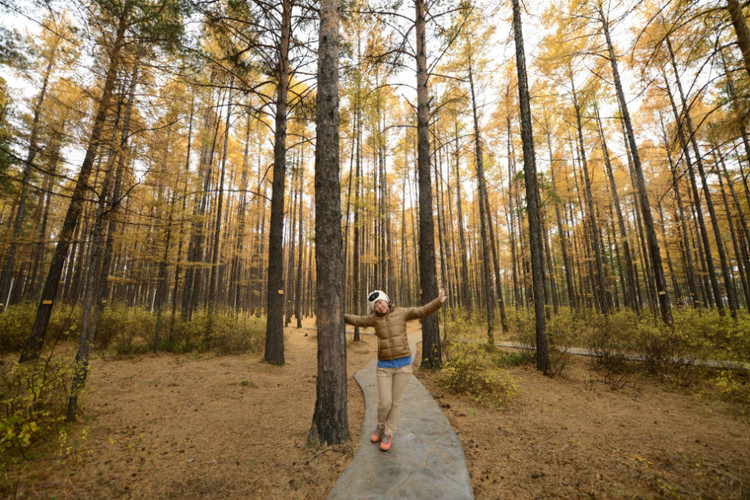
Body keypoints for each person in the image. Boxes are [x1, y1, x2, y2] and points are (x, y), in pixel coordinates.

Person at [344, 288, 447, 451]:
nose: (379, 306)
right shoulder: (373, 319)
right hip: (384, 366)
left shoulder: (401, 312)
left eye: (380, 302)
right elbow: (357, 320)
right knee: (385, 403)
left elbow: (421, 311)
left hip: (404, 366)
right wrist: (339, 315)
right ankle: (380, 426)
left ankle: (388, 432)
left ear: (387, 300)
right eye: (375, 305)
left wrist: (438, 302)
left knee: (396, 402)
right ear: (373, 308)